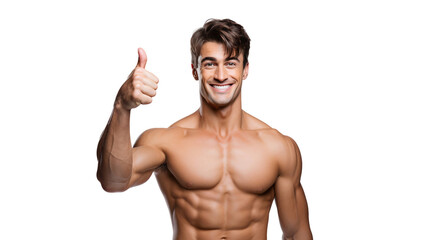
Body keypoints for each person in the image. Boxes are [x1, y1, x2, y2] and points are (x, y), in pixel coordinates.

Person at [97, 18, 312, 240]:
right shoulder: (166, 142)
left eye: (231, 63)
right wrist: (122, 106)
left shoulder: (278, 147)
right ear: (195, 70)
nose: (221, 75)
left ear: (245, 69)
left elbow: (297, 233)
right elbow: (113, 181)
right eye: (210, 63)